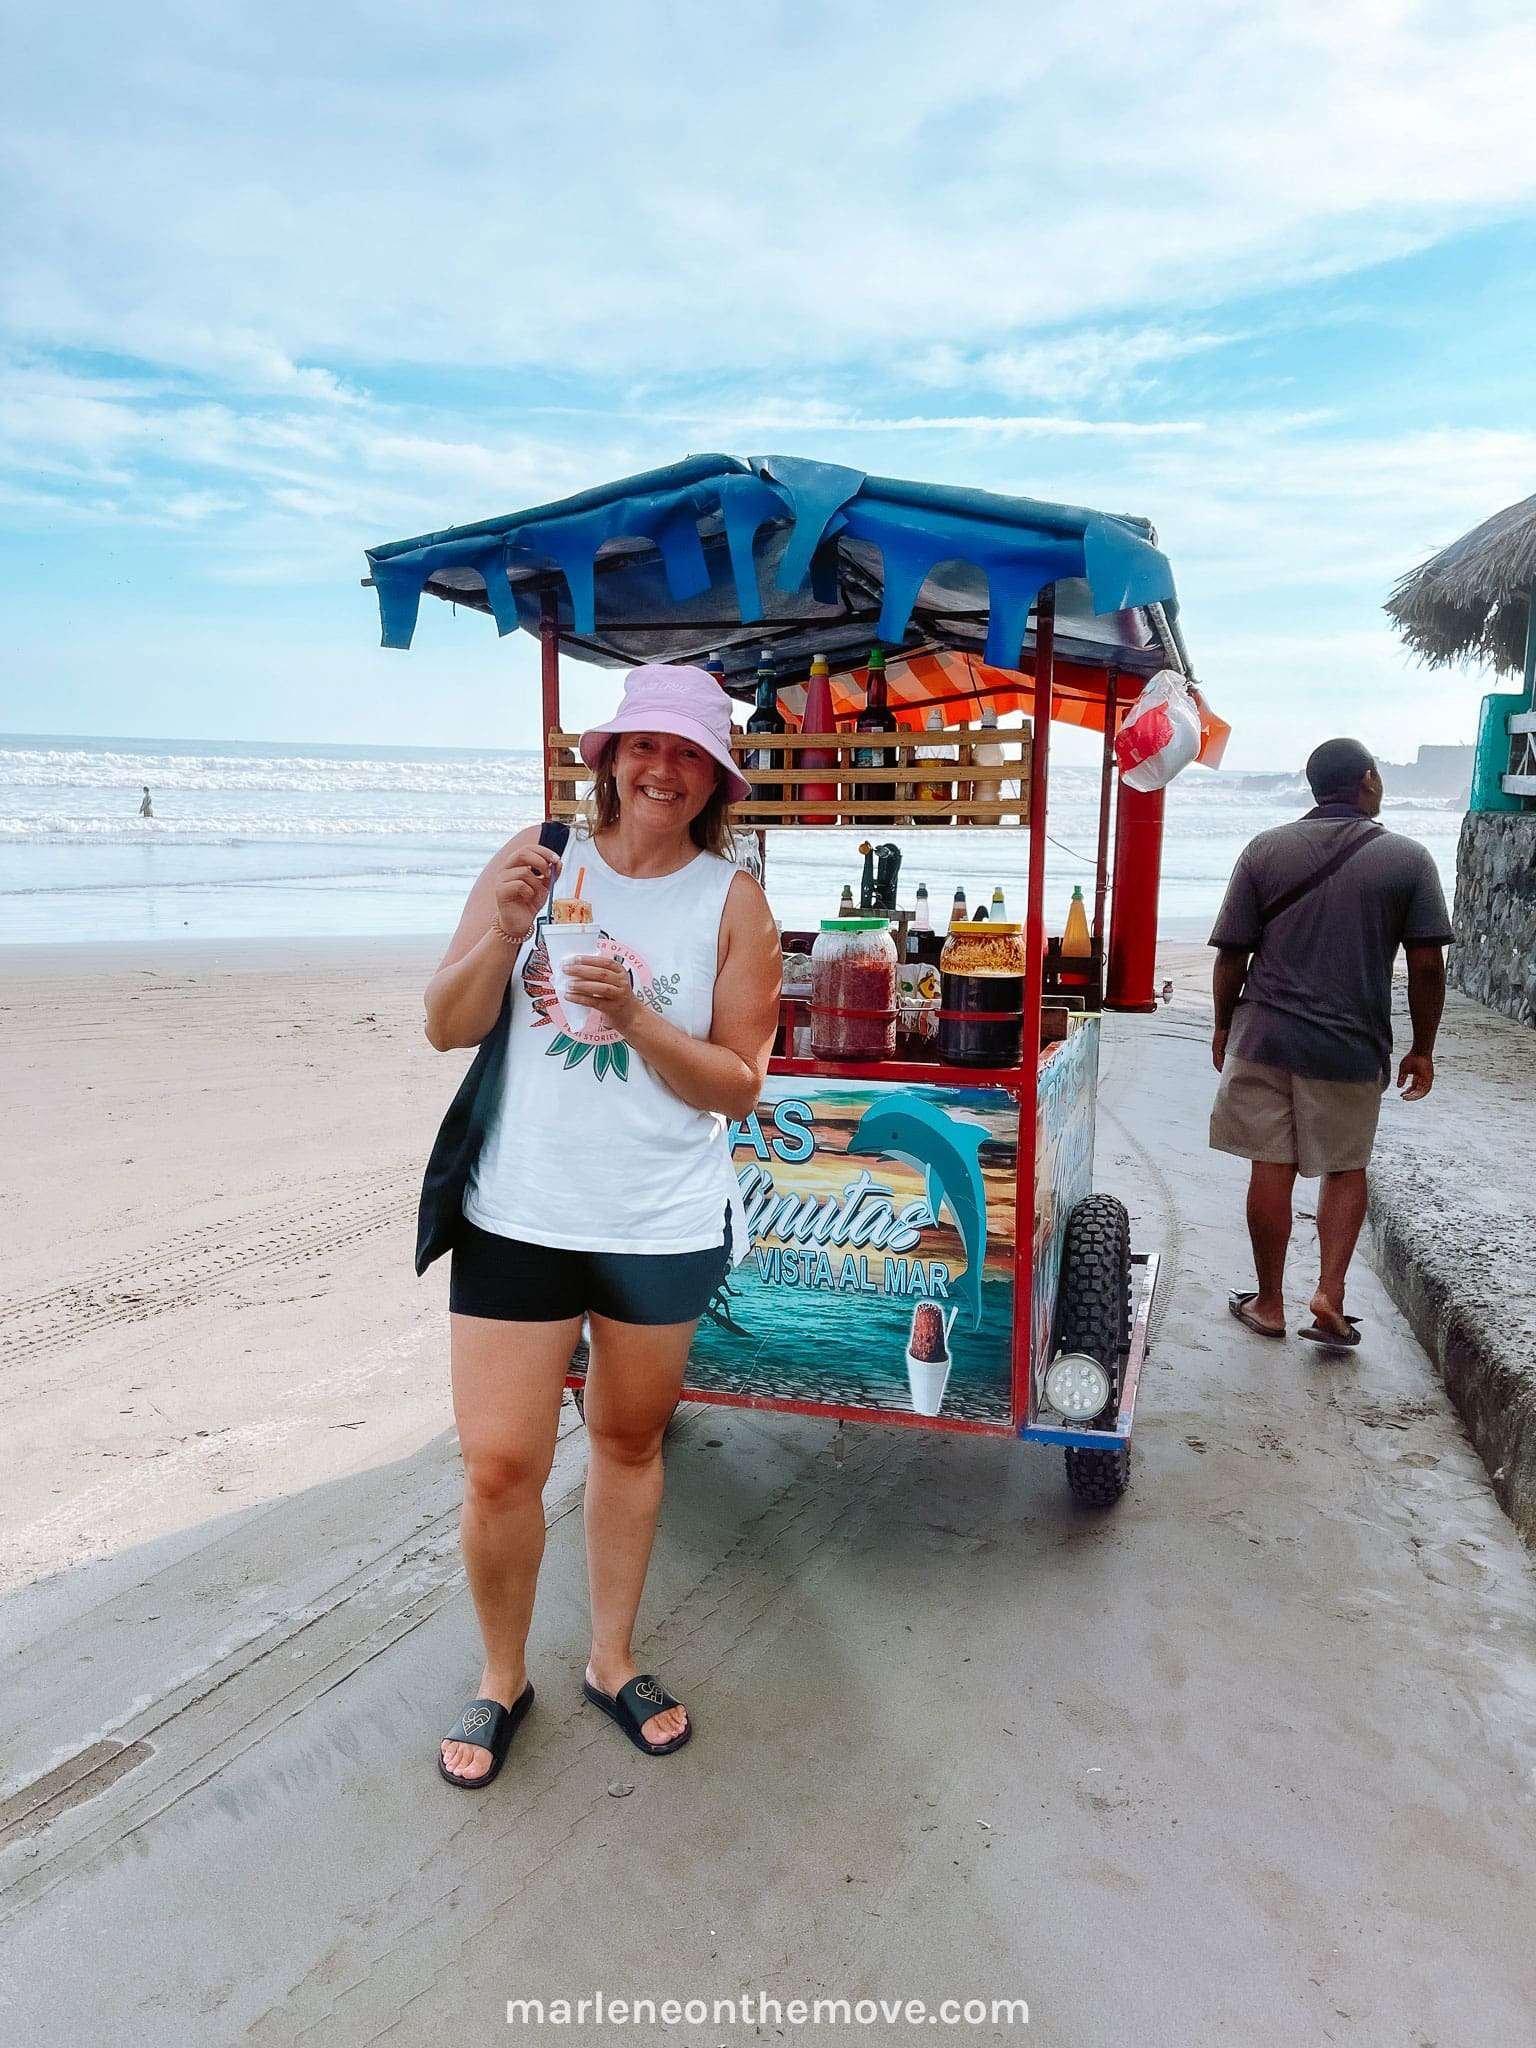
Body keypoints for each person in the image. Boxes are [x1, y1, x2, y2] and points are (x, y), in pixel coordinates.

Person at [422, 664, 780, 1789]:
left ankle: (611, 1656)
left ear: (714, 777)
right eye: (644, 746)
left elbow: (737, 1082)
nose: (661, 769)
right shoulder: (536, 858)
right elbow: (445, 1022)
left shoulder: (733, 901)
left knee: (627, 1443)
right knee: (499, 1465)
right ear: (610, 755)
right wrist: (505, 934)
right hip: (517, 1210)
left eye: (687, 754)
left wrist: (636, 1016)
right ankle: (499, 1675)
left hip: (657, 1223)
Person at [1208, 737, 1451, 1347]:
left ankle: (1268, 1303)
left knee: (1273, 1164)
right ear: (1368, 780)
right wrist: (1423, 1045)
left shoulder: (1264, 850)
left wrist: (1221, 1024)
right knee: (1344, 1167)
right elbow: (1427, 964)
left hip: (1263, 1036)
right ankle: (1328, 1295)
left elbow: (1231, 955)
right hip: (1349, 1045)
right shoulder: (1408, 859)